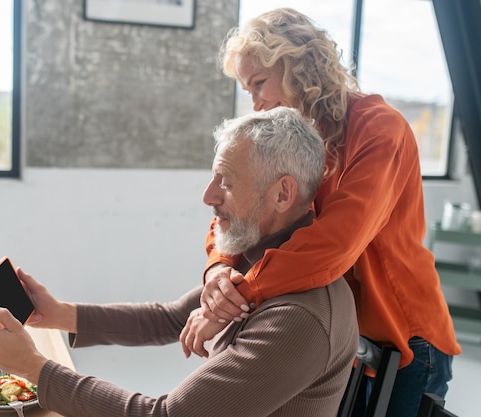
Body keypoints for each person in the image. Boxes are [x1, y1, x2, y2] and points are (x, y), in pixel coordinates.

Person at [0, 107, 359, 417]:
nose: (207, 196)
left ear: (282, 193)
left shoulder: (299, 316)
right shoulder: (260, 258)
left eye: (225, 182)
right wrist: (59, 314)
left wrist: (35, 368)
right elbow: (171, 317)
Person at [183, 8, 461, 417]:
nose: (256, 104)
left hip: (405, 335)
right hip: (349, 335)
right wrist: (219, 269)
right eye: (248, 90)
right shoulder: (296, 137)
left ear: (298, 65)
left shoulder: (381, 129)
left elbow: (333, 244)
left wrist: (235, 296)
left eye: (259, 83)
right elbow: (237, 206)